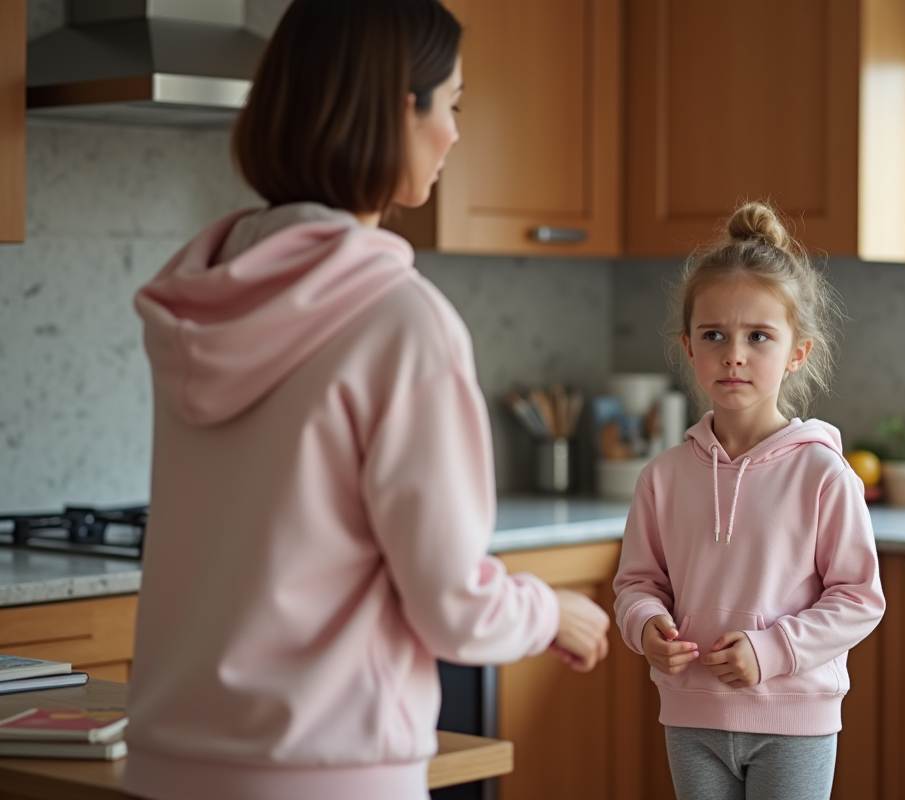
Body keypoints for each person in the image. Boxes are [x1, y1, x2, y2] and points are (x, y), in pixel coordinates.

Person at [122, 2, 609, 799]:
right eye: (450, 103)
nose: (455, 133)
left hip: (169, 766)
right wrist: (549, 612)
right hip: (327, 773)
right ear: (395, 109)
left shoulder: (198, 300)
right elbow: (453, 603)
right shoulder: (403, 322)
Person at [612, 201, 886, 800]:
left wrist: (772, 650)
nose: (733, 353)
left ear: (797, 353)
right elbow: (635, 584)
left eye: (758, 336)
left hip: (794, 717)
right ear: (689, 347)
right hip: (690, 716)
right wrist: (645, 626)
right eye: (714, 335)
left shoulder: (823, 473)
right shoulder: (661, 476)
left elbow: (860, 598)